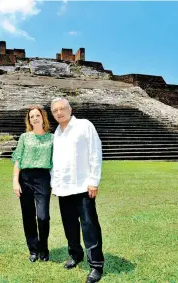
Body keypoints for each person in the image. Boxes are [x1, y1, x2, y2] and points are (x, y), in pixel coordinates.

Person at [50, 98, 105, 283]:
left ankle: (96, 264)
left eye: (62, 109)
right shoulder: (57, 133)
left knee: (89, 225)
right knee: (69, 226)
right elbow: (56, 162)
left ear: (70, 109)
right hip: (63, 188)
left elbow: (95, 153)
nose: (59, 113)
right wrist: (54, 183)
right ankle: (75, 254)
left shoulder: (84, 126)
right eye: (55, 110)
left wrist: (93, 181)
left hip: (82, 186)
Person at [11, 105, 54, 262]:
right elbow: (18, 159)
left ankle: (44, 248)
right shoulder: (24, 137)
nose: (34, 118)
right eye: (31, 117)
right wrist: (15, 181)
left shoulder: (52, 138)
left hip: (43, 178)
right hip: (25, 178)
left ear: (43, 117)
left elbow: (56, 161)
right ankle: (34, 250)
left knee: (43, 216)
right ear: (29, 120)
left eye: (37, 115)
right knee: (28, 215)